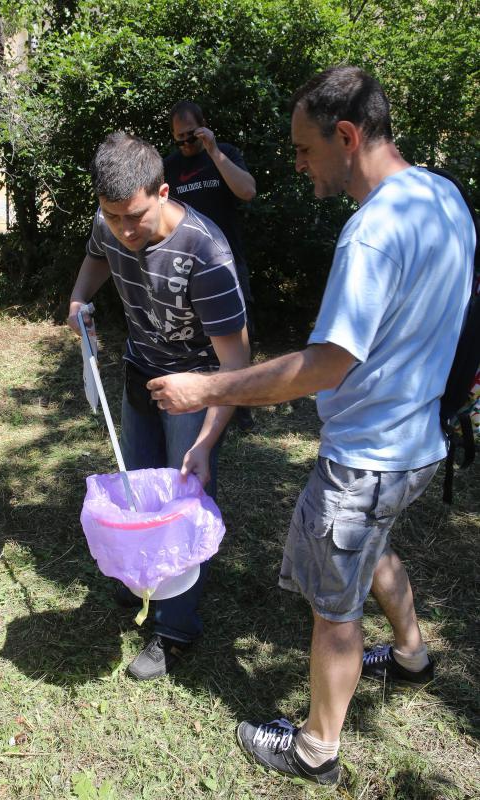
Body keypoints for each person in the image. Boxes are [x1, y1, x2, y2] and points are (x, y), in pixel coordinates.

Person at [147, 67, 475, 784]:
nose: (295, 165)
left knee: (334, 611)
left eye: (303, 150)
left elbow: (323, 366)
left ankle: (314, 749)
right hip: (418, 444)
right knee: (372, 544)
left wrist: (208, 385)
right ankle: (415, 657)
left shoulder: (371, 235)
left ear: (347, 137)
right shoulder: (442, 195)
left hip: (366, 457)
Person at [68, 132, 250, 681]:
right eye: (113, 216)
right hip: (138, 373)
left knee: (181, 501)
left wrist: (204, 443)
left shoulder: (206, 253)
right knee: (136, 490)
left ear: (164, 191)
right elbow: (95, 258)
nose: (124, 230)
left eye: (136, 217)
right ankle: (138, 578)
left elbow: (237, 365)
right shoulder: (110, 223)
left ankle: (176, 627)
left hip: (195, 388)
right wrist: (80, 298)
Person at [164, 100, 257, 431]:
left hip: (228, 261)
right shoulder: (170, 167)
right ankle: (208, 406)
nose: (186, 144)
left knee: (239, 337)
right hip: (187, 267)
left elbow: (247, 191)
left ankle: (241, 409)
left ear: (204, 127)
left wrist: (213, 151)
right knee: (199, 340)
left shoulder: (225, 153)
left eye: (191, 136)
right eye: (179, 139)